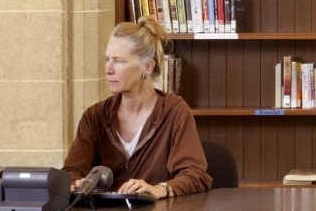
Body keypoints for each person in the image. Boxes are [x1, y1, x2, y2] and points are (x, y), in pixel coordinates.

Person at [63, 15, 212, 199]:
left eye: (118, 61)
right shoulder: (94, 116)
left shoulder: (174, 111)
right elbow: (71, 171)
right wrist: (75, 183)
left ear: (147, 67)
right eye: (107, 60)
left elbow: (195, 174)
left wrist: (159, 189)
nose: (108, 70)